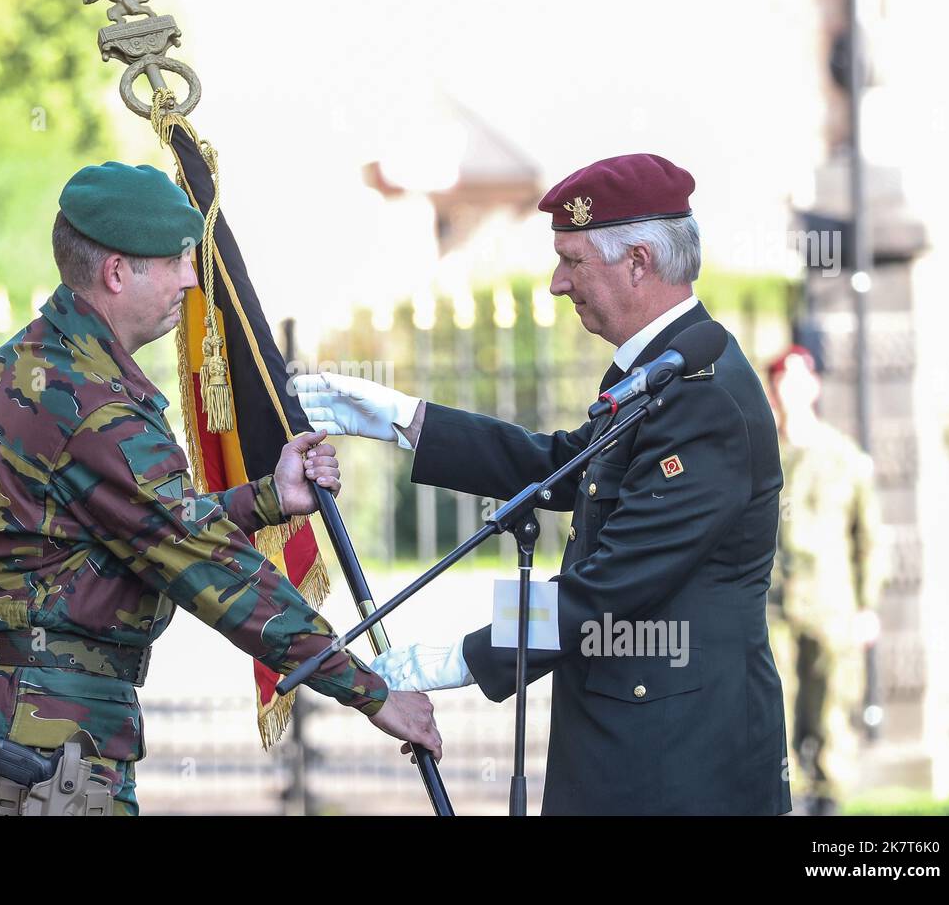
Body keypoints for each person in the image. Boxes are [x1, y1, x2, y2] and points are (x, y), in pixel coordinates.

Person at [0, 162, 441, 816]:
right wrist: (371, 692)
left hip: (26, 722)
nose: (193, 279)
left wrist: (267, 499)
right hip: (57, 742)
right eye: (175, 261)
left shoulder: (18, 365)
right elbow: (210, 570)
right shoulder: (95, 403)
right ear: (116, 273)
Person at [296, 154, 791, 815]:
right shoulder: (661, 370)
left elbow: (615, 582)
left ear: (638, 261)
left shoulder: (702, 398)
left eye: (573, 260)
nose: (558, 284)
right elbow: (561, 467)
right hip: (638, 741)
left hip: (682, 761)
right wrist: (405, 420)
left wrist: (462, 656)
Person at [767, 345, 885, 815]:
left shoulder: (845, 457)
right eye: (780, 380)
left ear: (813, 387)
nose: (789, 390)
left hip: (831, 605)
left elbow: (869, 538)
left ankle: (829, 802)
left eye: (798, 380)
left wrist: (867, 607)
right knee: (777, 707)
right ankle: (786, 800)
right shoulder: (760, 455)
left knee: (833, 710)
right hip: (772, 607)